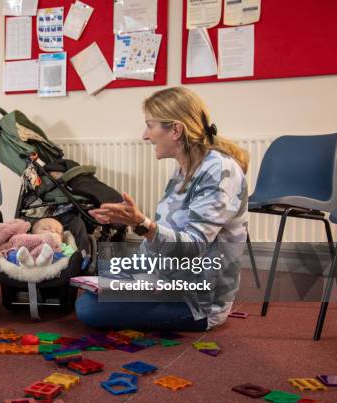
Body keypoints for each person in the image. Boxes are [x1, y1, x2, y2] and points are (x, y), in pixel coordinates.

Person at [79, 87, 249, 332]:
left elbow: (194, 246)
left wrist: (142, 225)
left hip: (196, 301)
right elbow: (167, 233)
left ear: (176, 130)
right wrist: (129, 273)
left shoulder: (219, 170)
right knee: (93, 278)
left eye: (150, 125)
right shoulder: (185, 167)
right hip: (164, 278)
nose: (145, 135)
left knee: (89, 308)